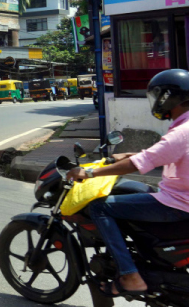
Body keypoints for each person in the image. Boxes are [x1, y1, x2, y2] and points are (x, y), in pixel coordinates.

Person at [67, 69, 189, 297]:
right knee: (137, 189)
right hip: (181, 197)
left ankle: (130, 276)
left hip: (178, 204)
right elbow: (163, 154)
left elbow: (138, 164)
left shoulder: (181, 132)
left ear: (167, 97)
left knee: (100, 207)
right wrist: (126, 155)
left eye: (157, 96)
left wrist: (90, 173)